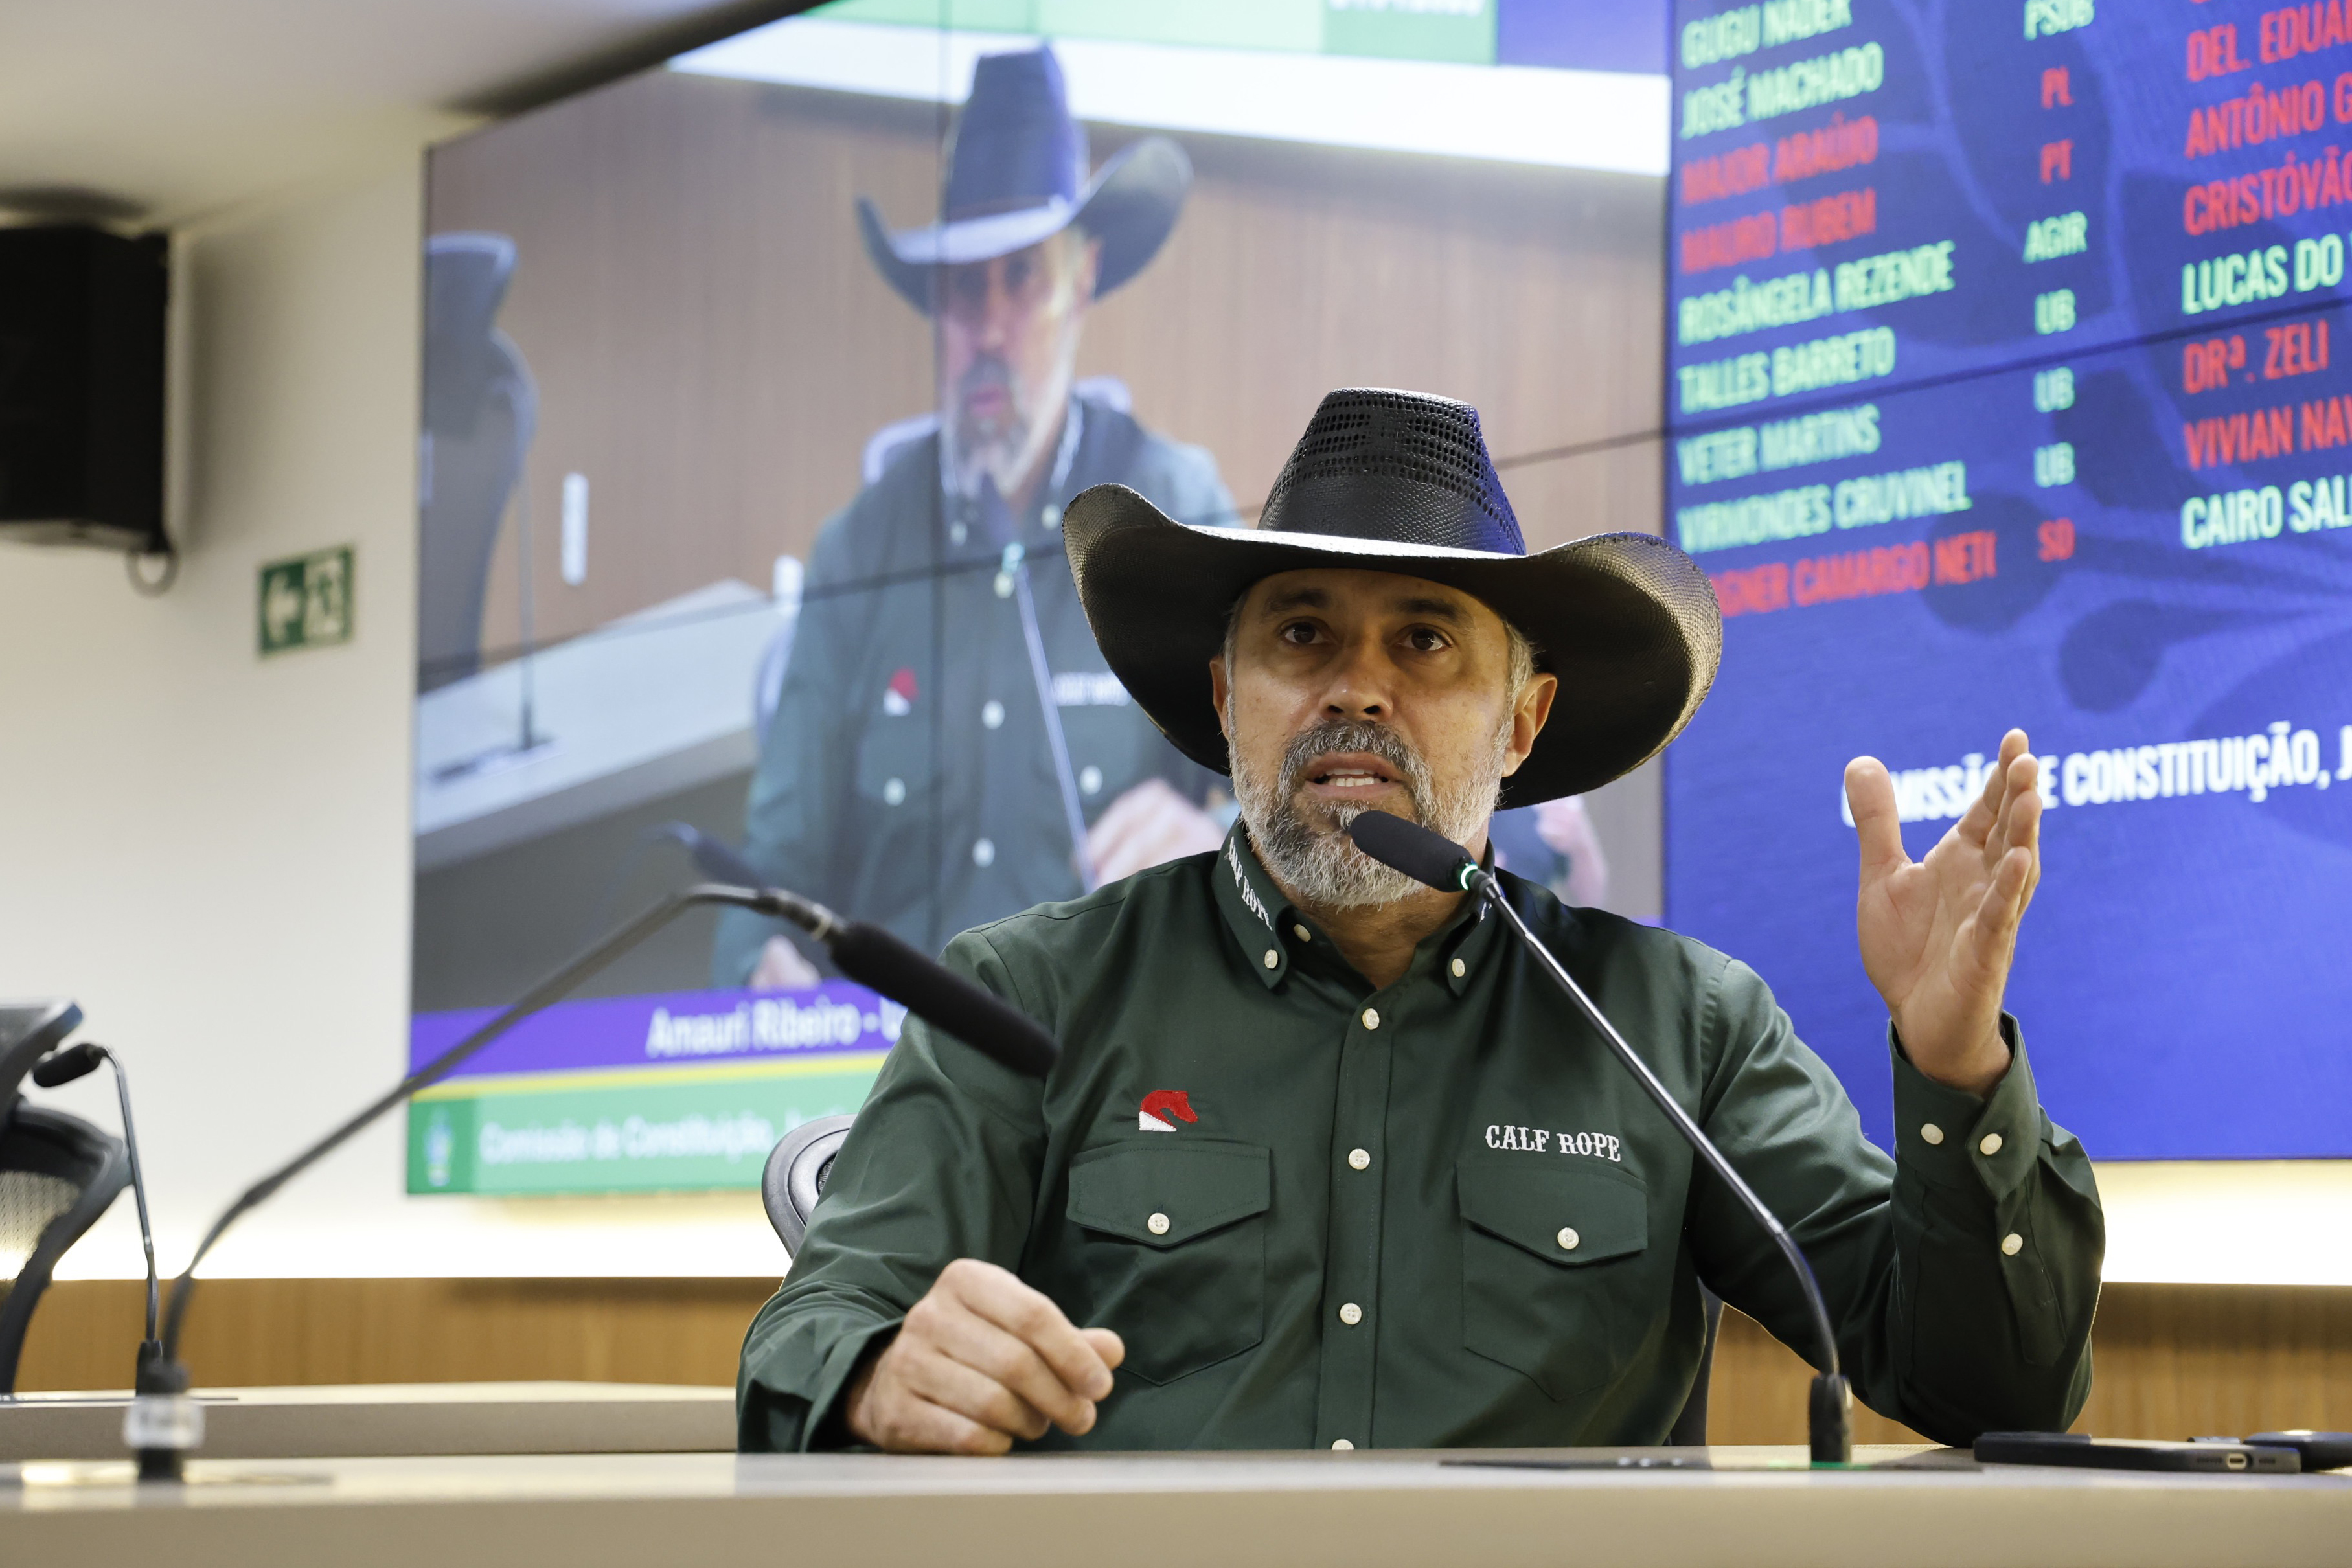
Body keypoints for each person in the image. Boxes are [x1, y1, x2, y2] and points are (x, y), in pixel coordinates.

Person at [737, 390, 2102, 1453]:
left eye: (1427, 640)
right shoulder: (1024, 993)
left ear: (1523, 722)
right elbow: (814, 1329)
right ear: (1224, 698)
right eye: (1301, 635)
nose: (1357, 688)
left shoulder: (1677, 1027)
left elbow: (1989, 1390)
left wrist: (1957, 1065)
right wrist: (876, 1373)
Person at [711, 45, 1235, 990]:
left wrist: (1215, 843)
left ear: (1082, 280)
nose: (989, 329)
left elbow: (1285, 818)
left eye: (1022, 278)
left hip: (1110, 1056)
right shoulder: (858, 550)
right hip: (898, 1065)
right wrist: (763, 962)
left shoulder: (1173, 514)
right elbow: (769, 879)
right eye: (964, 288)